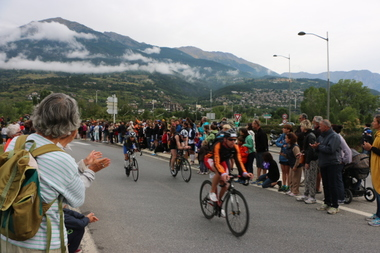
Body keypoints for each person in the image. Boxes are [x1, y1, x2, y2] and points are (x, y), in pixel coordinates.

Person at [1, 93, 110, 252]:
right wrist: (91, 170)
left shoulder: (18, 142)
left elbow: (46, 174)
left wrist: (81, 164)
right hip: (40, 244)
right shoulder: (61, 158)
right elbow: (76, 198)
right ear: (72, 126)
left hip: (7, 234)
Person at [204, 129, 253, 216]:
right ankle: (212, 191)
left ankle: (219, 203)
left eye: (235, 139)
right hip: (211, 159)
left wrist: (245, 173)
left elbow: (239, 161)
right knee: (219, 173)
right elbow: (216, 162)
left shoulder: (235, 147)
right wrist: (223, 173)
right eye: (230, 139)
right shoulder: (218, 145)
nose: (233, 141)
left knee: (226, 184)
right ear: (225, 139)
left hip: (222, 161)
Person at [311, 119, 341, 215]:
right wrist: (315, 147)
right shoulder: (321, 136)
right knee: (326, 184)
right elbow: (319, 148)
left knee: (333, 185)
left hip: (332, 163)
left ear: (326, 127)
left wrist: (319, 147)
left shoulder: (334, 136)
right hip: (323, 163)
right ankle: (327, 202)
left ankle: (335, 205)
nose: (319, 128)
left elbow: (331, 149)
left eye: (320, 126)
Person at [362, 115, 380, 226]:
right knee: (377, 192)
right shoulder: (377, 135)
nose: (372, 123)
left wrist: (371, 148)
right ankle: (378, 214)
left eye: (374, 121)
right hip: (375, 166)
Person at [296, 120, 318, 204]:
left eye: (301, 126)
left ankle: (312, 196)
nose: (300, 128)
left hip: (312, 160)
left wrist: (307, 162)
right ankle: (306, 194)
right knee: (307, 177)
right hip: (309, 159)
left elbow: (311, 150)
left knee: (311, 178)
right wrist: (302, 153)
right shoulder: (307, 135)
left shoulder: (310, 136)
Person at [332, 124, 352, 205]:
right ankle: (336, 196)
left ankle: (340, 198)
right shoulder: (335, 137)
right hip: (336, 162)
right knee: (335, 179)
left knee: (338, 180)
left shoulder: (339, 138)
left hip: (339, 162)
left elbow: (348, 151)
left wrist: (344, 161)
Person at [275, 124, 293, 192]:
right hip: (282, 155)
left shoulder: (291, 136)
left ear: (288, 129)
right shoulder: (282, 135)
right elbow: (277, 142)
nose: (283, 129)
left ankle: (288, 185)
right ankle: (284, 185)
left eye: (284, 128)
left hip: (287, 155)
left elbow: (289, 145)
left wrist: (285, 145)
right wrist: (282, 145)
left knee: (288, 172)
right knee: (283, 171)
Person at [252, 119, 268, 184]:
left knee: (264, 166)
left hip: (263, 151)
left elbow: (265, 143)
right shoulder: (256, 132)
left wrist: (265, 151)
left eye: (253, 124)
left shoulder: (262, 133)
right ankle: (258, 177)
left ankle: (263, 178)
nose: (252, 125)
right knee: (258, 165)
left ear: (257, 124)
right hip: (258, 151)